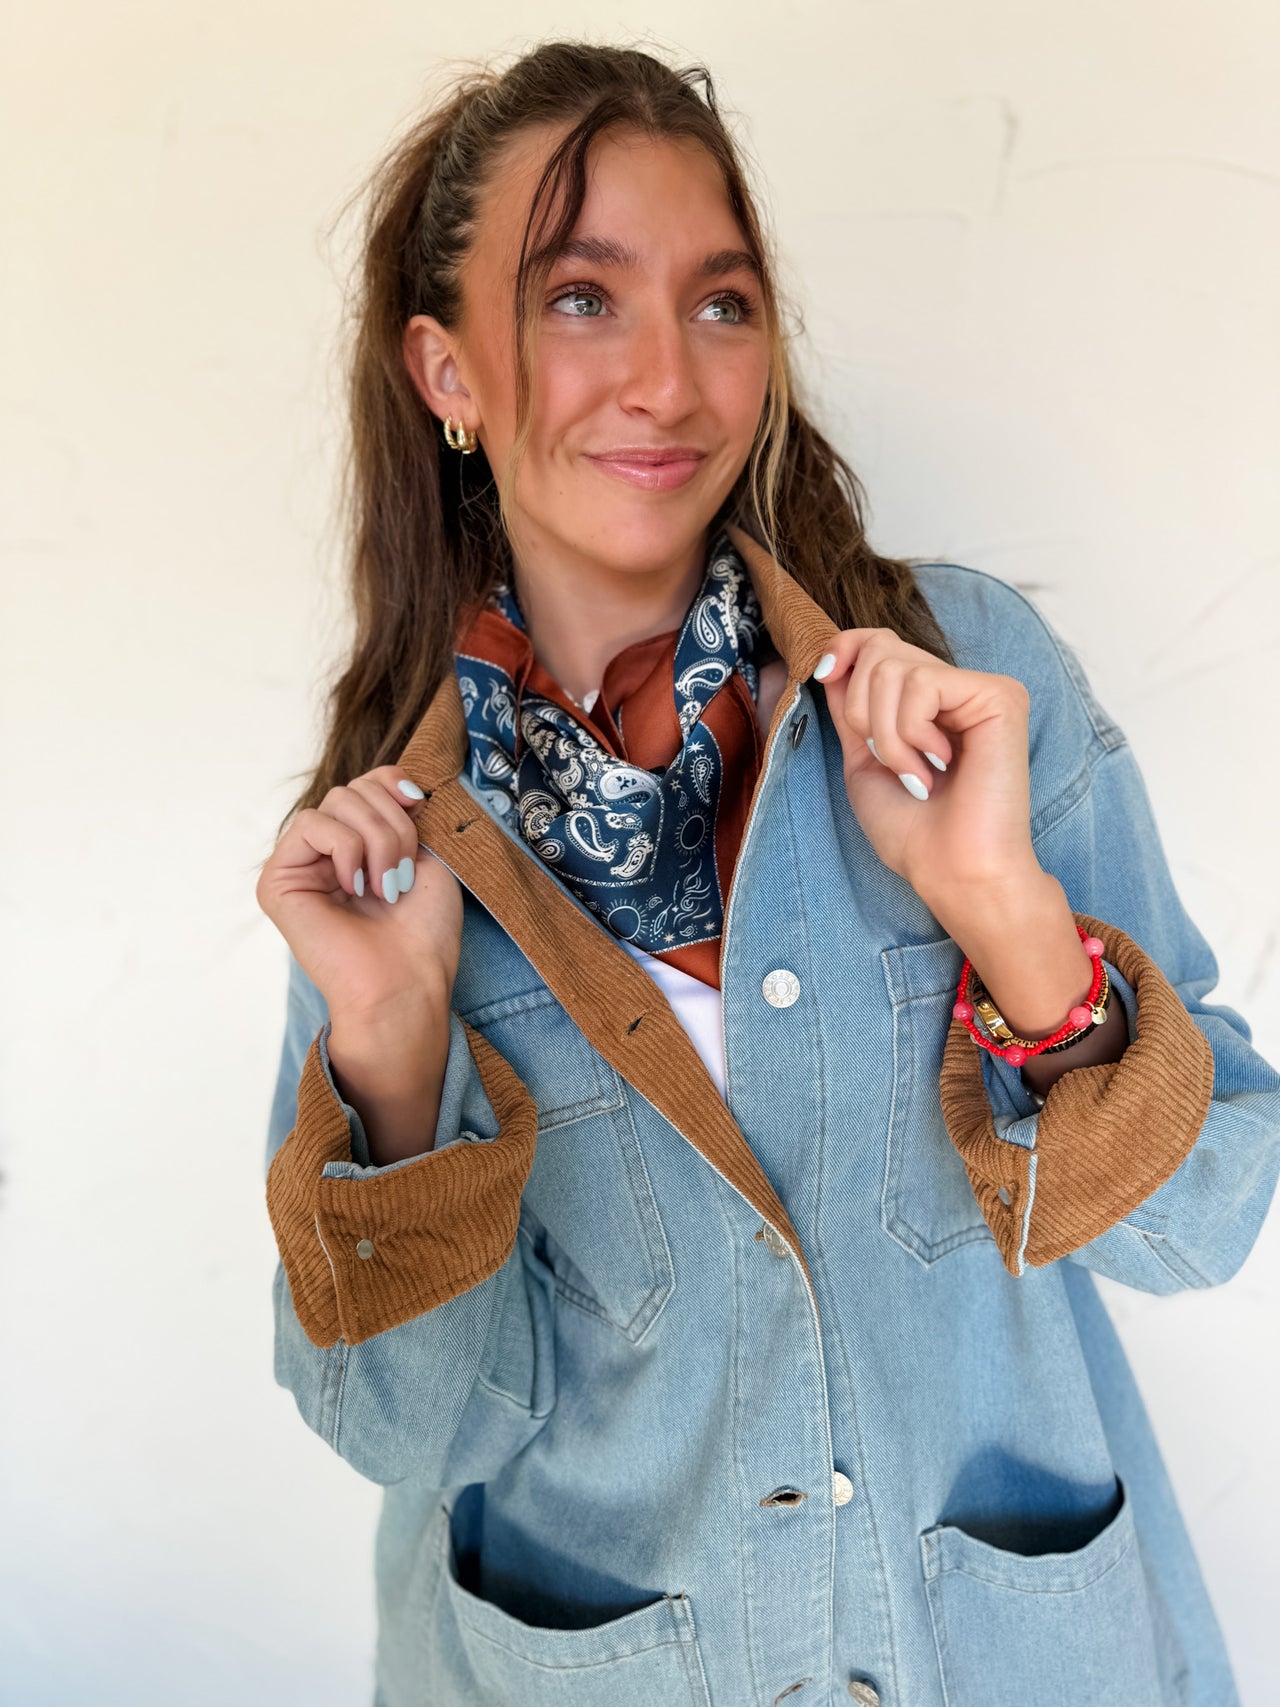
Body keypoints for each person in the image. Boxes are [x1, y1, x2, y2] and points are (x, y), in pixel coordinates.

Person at [255, 40, 1280, 1707]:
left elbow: (1205, 1231)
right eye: (582, 298)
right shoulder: (390, 847)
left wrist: (1007, 917)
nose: (670, 378)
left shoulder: (967, 686)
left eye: (722, 305)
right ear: (447, 372)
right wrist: (388, 1059)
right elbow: (406, 1433)